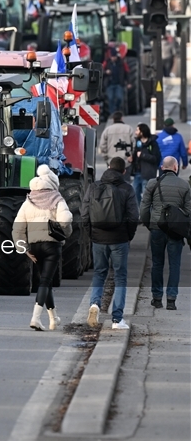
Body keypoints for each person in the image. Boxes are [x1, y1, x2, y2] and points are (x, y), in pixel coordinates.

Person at [13, 165, 73, 331]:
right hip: (52, 246)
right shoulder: (57, 198)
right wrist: (65, 233)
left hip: (34, 247)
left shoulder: (28, 201)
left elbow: (17, 227)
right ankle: (35, 318)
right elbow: (66, 218)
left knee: (45, 282)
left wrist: (24, 248)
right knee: (45, 281)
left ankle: (54, 318)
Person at [82, 157, 139, 330]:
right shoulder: (127, 189)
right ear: (123, 171)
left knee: (100, 273)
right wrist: (129, 236)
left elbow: (84, 214)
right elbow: (133, 216)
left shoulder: (93, 187)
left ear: (108, 168)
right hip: (120, 240)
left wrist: (91, 234)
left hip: (98, 239)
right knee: (120, 277)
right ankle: (117, 320)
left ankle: (94, 305)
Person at [140, 156, 191, 310]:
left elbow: (144, 208)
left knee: (157, 263)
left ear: (162, 167)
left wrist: (149, 224)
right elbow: (189, 211)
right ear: (175, 168)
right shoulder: (184, 185)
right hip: (176, 231)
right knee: (175, 264)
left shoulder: (152, 184)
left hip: (157, 228)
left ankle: (156, 298)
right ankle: (171, 299)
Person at [131, 124, 161, 207]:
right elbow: (135, 155)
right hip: (137, 172)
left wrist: (143, 155)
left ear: (142, 132)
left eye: (137, 130)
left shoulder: (153, 143)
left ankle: (146, 213)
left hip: (147, 173)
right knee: (135, 192)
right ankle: (140, 211)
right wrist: (132, 158)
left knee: (146, 195)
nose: (135, 132)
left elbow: (155, 158)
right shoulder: (137, 142)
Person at [101, 48, 129, 117]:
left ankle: (118, 110)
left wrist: (128, 82)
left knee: (119, 98)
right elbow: (101, 71)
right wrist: (106, 72)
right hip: (109, 84)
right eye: (112, 57)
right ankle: (112, 113)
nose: (113, 58)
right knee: (110, 99)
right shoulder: (106, 63)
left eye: (115, 56)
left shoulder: (122, 63)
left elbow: (127, 72)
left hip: (119, 84)